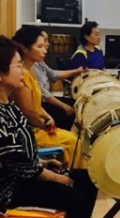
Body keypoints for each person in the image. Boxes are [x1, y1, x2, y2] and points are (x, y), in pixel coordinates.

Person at [0, 36, 109, 218]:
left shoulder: (8, 105)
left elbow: (21, 154)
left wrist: (43, 162)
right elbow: (17, 166)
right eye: (17, 66)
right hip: (9, 187)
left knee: (88, 179)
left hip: (24, 174)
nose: (22, 71)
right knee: (75, 199)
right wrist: (54, 177)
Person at [11, 26, 85, 168]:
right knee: (74, 142)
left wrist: (48, 117)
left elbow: (37, 105)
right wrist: (44, 124)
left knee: (75, 139)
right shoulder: (22, 75)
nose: (45, 49)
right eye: (39, 46)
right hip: (30, 131)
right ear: (25, 49)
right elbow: (28, 111)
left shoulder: (30, 72)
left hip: (37, 125)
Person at [33, 30, 84, 129]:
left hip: (45, 101)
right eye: (44, 42)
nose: (48, 44)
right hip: (41, 103)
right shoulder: (31, 67)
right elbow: (44, 94)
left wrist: (76, 71)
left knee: (74, 103)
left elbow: (53, 74)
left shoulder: (40, 62)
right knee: (66, 111)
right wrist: (64, 106)